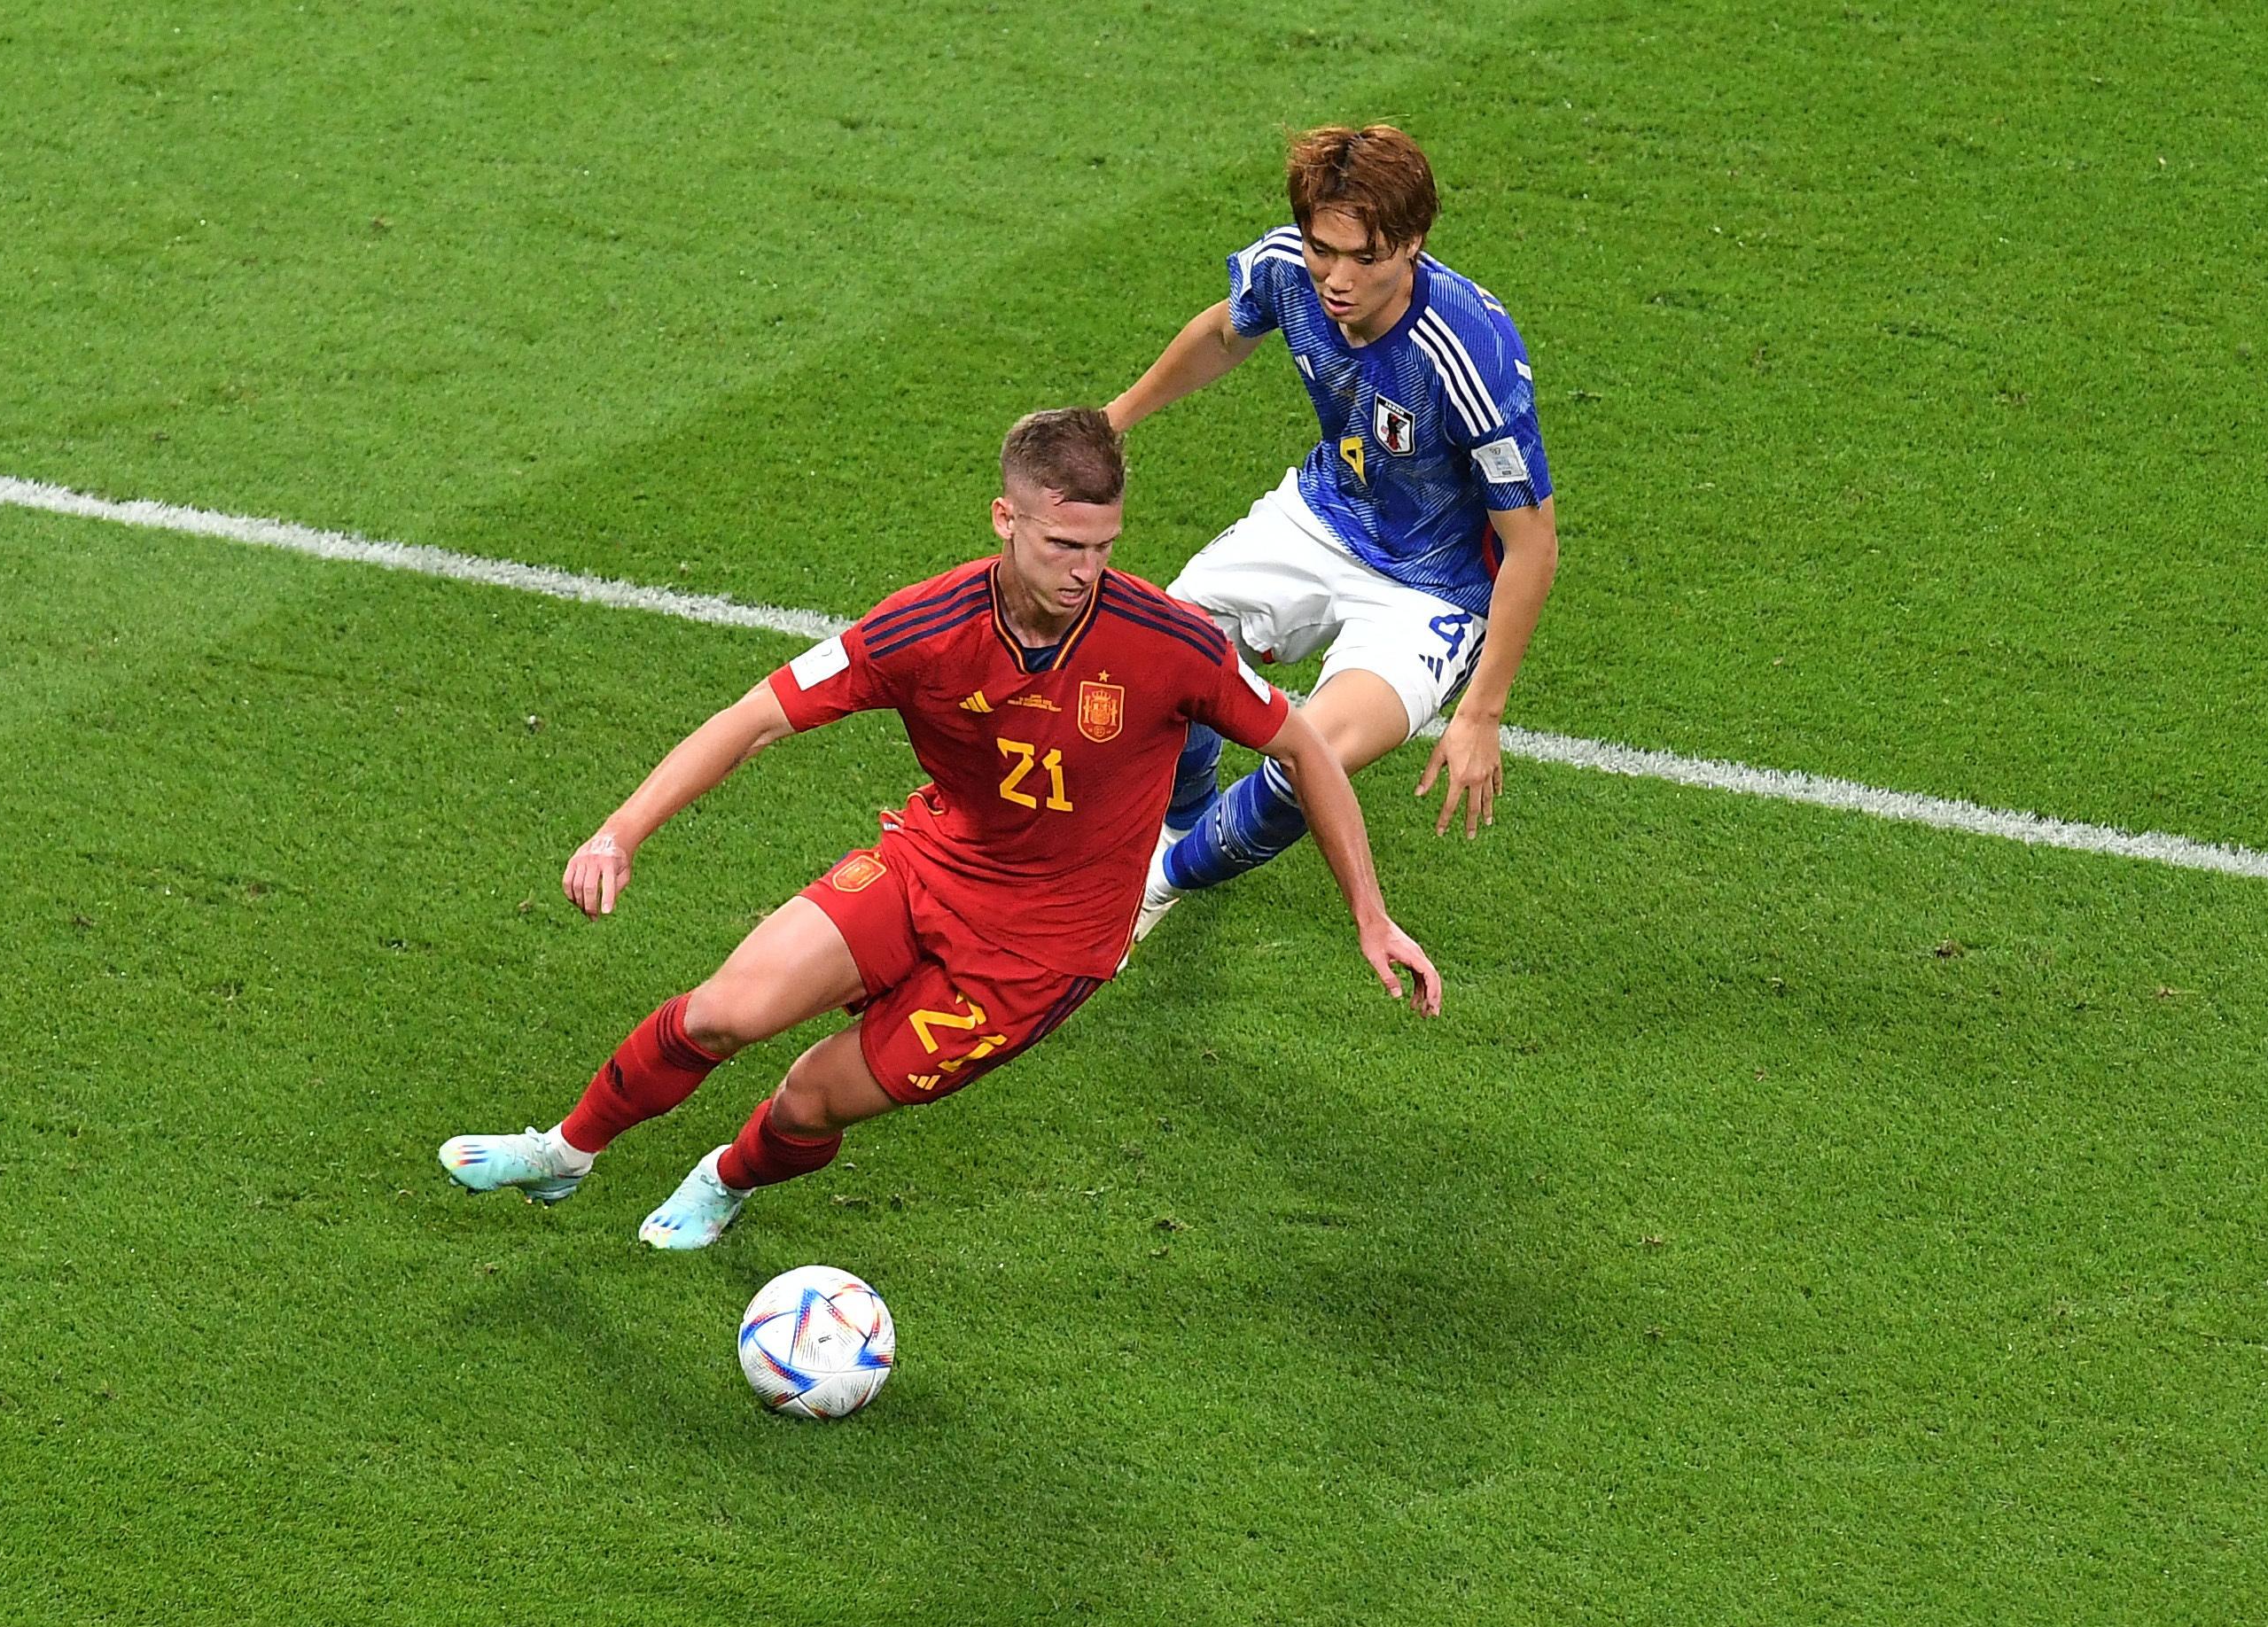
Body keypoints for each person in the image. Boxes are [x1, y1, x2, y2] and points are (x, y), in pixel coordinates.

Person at [439, 409, 1441, 1250]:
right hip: (930, 867)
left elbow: (1305, 748)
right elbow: (754, 719)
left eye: (1104, 547)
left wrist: (1370, 913)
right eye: (1063, 545)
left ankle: (727, 1175)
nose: (1086, 571)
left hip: (1040, 955)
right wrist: (620, 831)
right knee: (722, 1013)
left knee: (808, 1099)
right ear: (1006, 518)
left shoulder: (1167, 641)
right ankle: (564, 1152)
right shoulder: (924, 628)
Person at [1104, 124, 1559, 946]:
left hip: (1433, 589)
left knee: (1309, 751)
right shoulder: (1289, 268)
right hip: (1325, 514)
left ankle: (1155, 887)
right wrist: (1113, 420)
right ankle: (1184, 819)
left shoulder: (1470, 353)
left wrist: (1482, 712)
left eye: (1365, 258)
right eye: (1323, 250)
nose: (1337, 280)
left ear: (1412, 244)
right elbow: (1224, 332)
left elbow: (1532, 544)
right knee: (1169, 649)